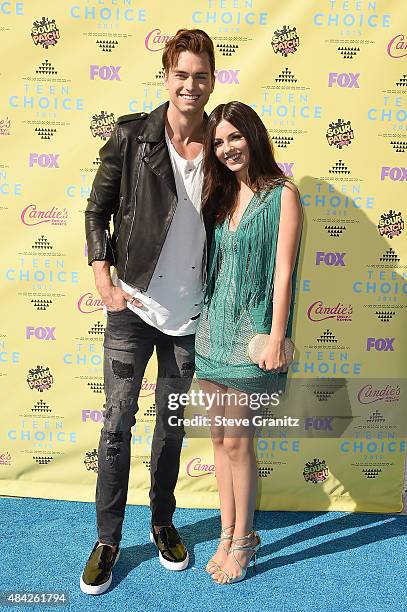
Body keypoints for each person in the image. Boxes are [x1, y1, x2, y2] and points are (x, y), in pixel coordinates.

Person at [80, 29, 215, 595]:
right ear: (167, 76)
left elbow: (252, 198)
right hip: (133, 308)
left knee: (171, 427)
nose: (190, 85)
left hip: (191, 316)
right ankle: (108, 538)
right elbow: (97, 209)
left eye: (200, 76)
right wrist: (102, 278)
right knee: (116, 424)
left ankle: (162, 523)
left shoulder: (224, 140)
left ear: (212, 80)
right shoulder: (133, 135)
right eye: (181, 74)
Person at [195, 101, 303, 584]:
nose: (227, 148)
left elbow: (284, 273)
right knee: (220, 441)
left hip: (253, 339)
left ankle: (244, 540)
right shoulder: (218, 197)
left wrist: (278, 336)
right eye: (218, 142)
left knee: (239, 442)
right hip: (211, 334)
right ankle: (227, 533)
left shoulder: (282, 195)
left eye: (235, 137)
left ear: (253, 136)